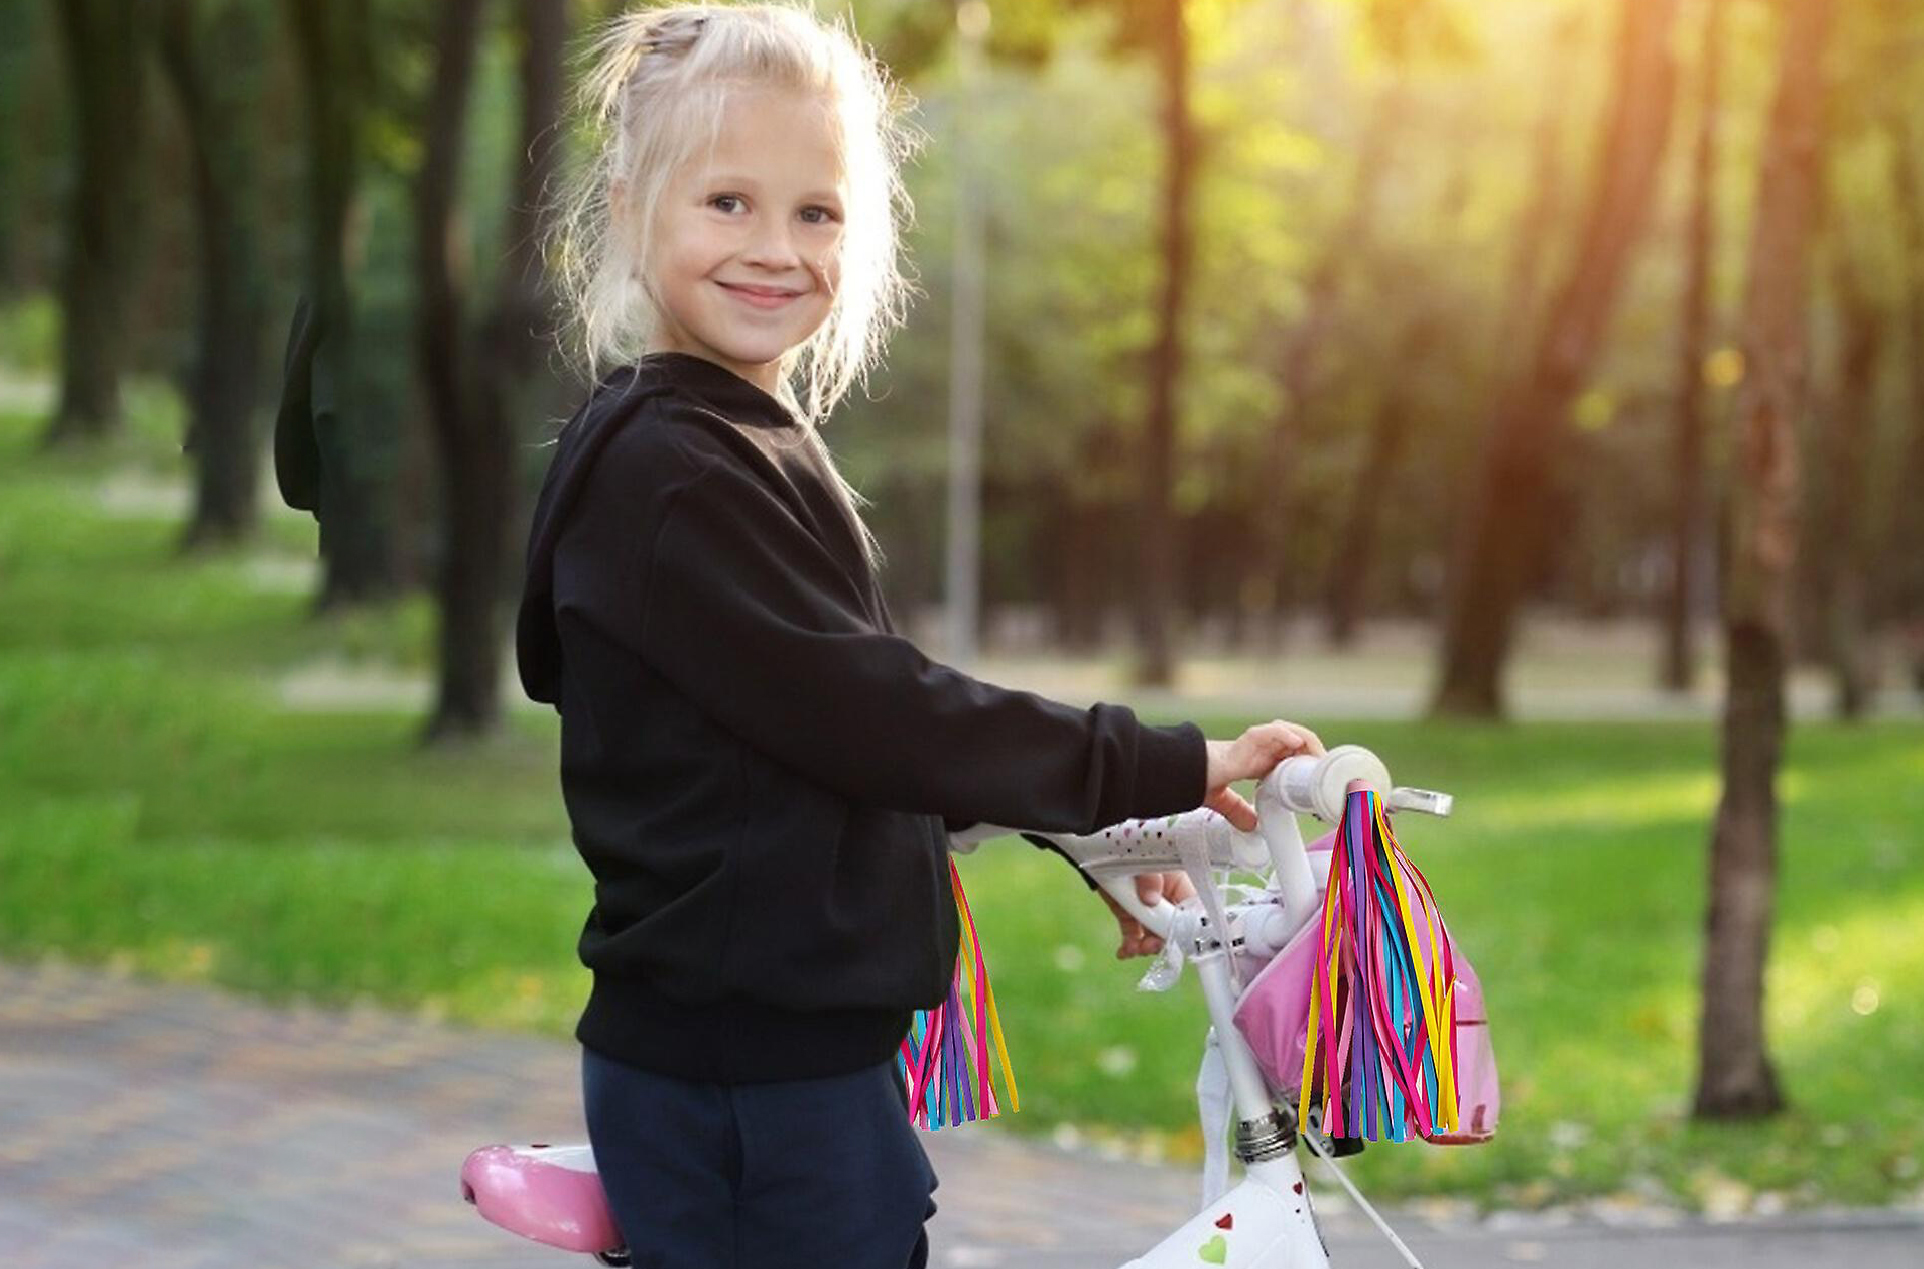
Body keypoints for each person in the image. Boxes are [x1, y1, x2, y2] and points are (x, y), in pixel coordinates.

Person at [514, 5, 1324, 1265]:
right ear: (630, 208)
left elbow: (812, 748)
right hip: (747, 1082)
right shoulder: (676, 472)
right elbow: (877, 715)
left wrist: (1087, 828)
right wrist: (1164, 761)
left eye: (815, 211)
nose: (774, 248)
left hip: (784, 1064)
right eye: (726, 202)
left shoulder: (735, 443)